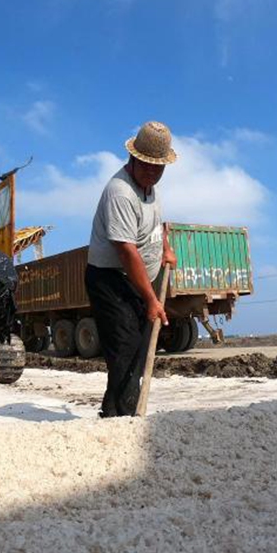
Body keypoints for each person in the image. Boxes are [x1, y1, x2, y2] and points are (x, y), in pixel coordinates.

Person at [84, 121, 178, 417]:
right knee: (125, 346)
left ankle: (113, 411)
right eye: (147, 166)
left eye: (158, 167)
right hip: (110, 278)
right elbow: (126, 251)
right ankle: (126, 416)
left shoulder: (151, 189)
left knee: (138, 349)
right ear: (133, 158)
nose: (153, 172)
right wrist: (151, 299)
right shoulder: (120, 192)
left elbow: (156, 224)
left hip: (136, 281)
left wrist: (165, 248)